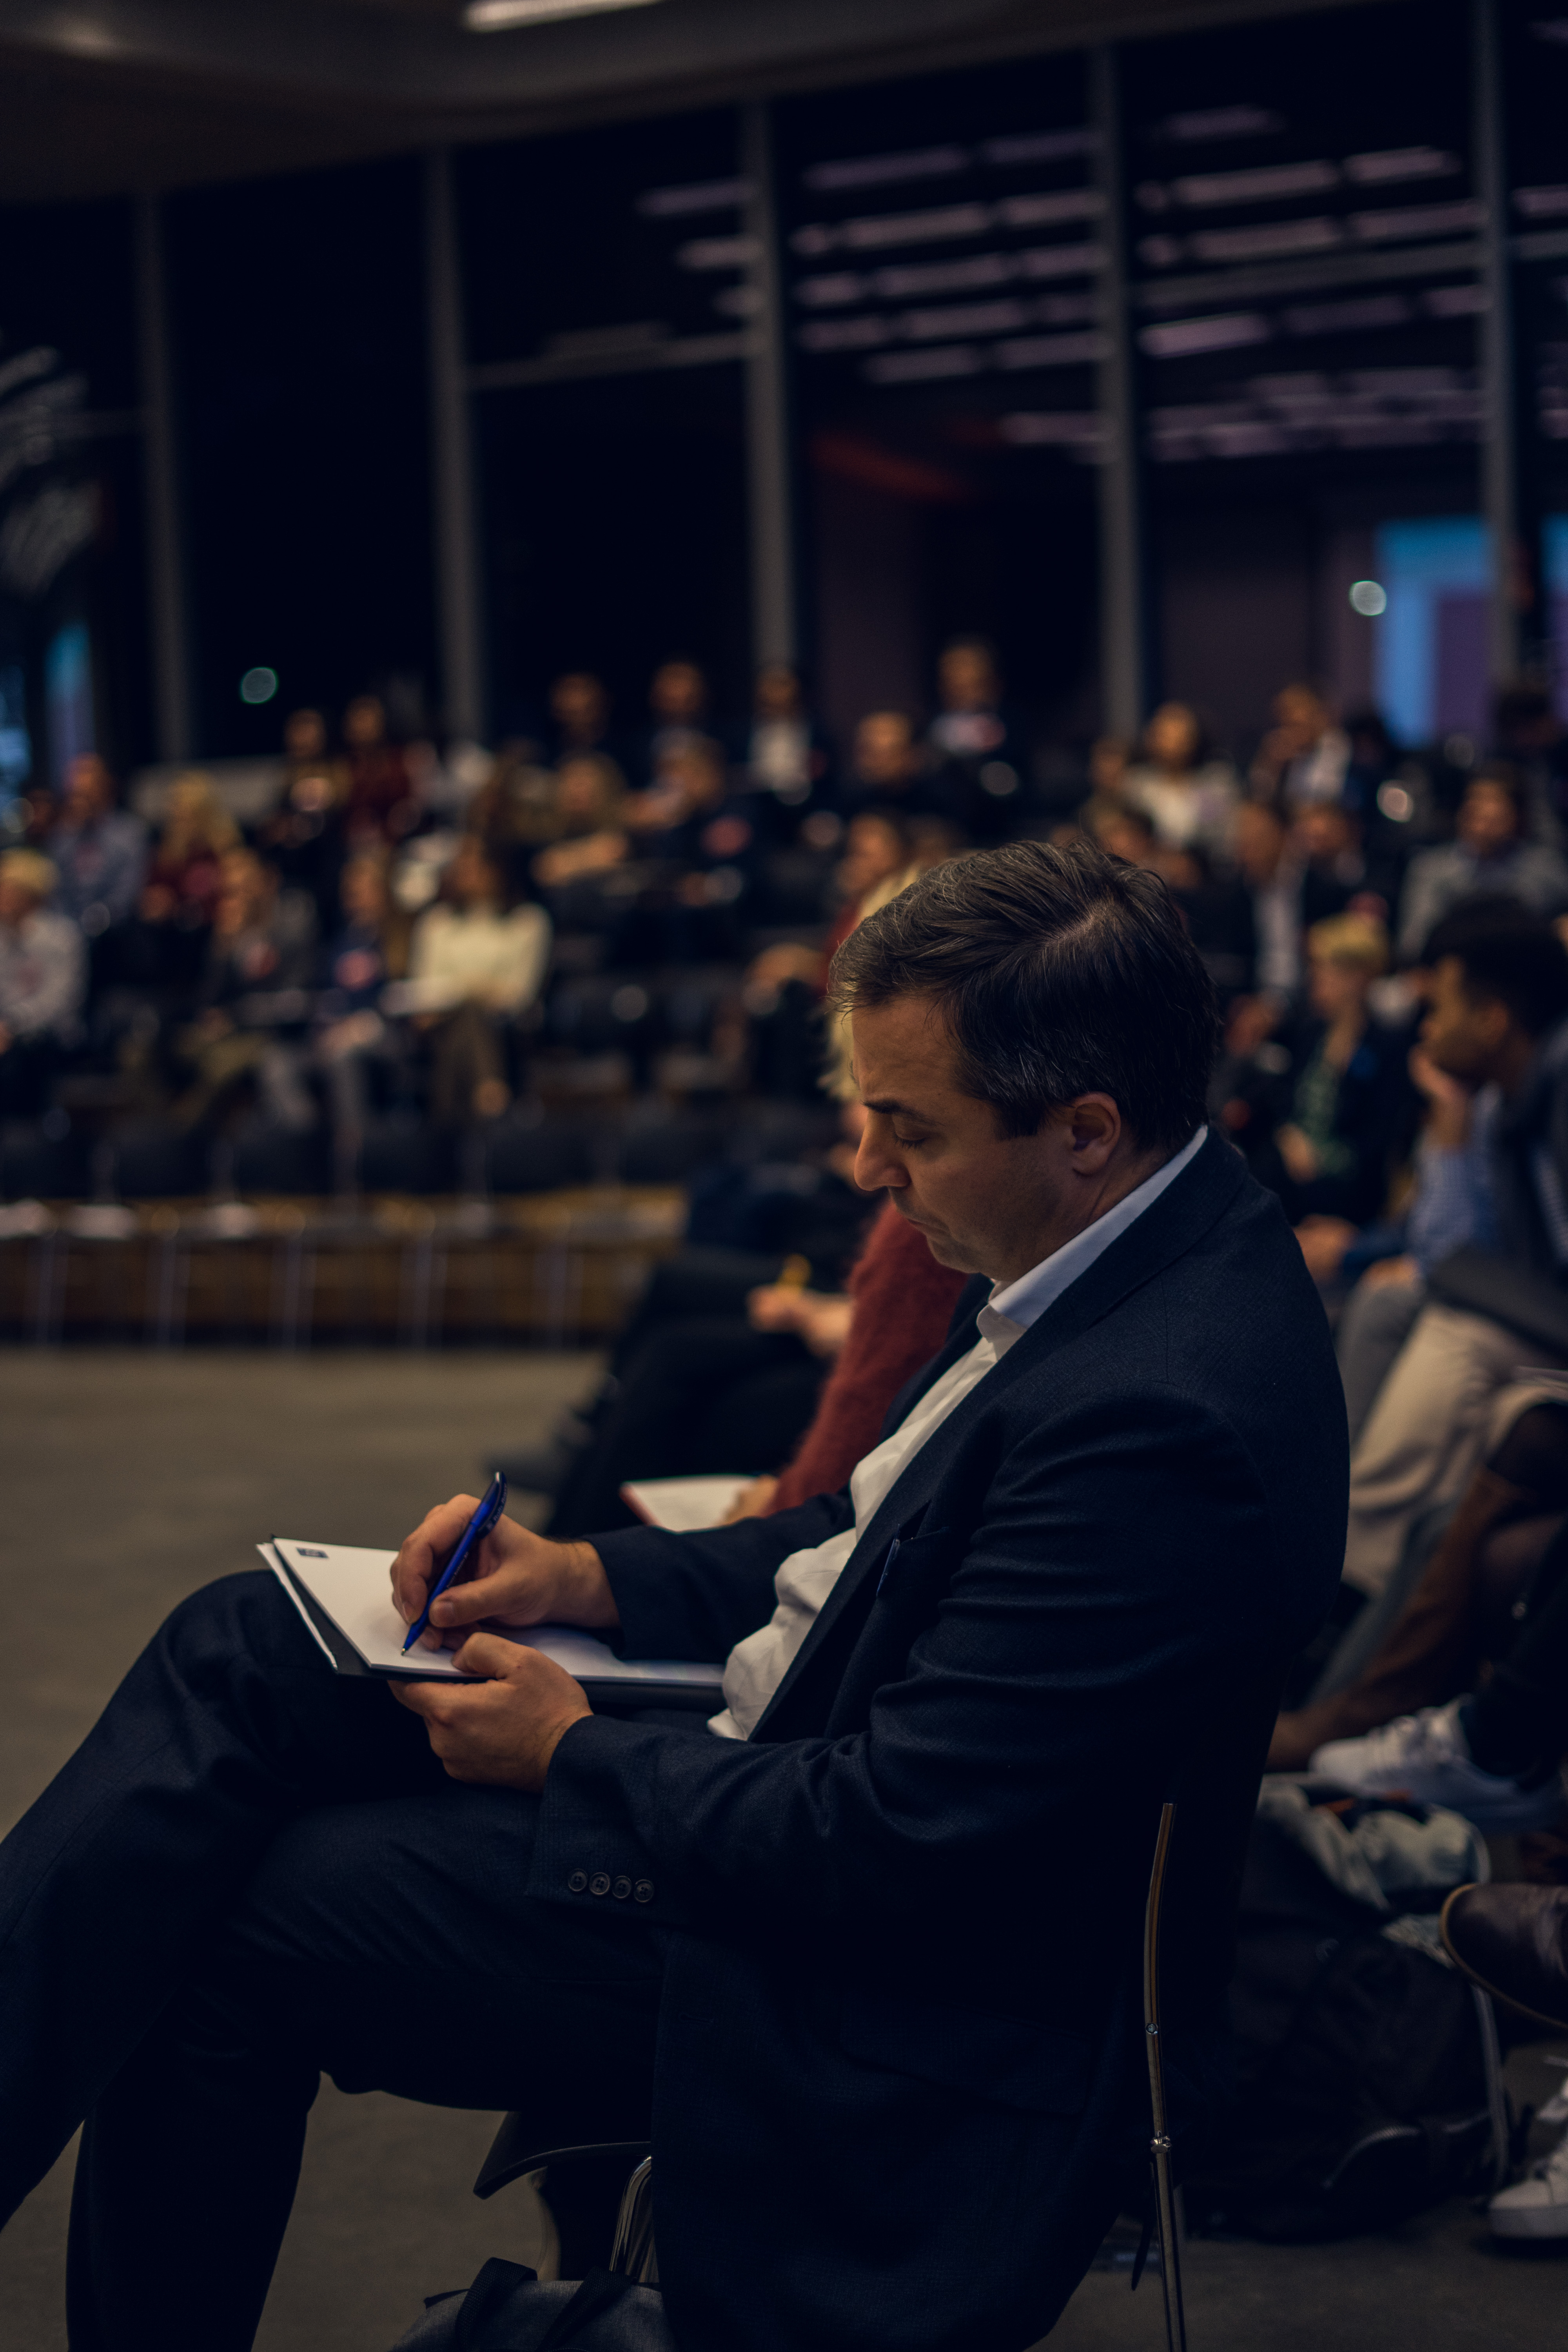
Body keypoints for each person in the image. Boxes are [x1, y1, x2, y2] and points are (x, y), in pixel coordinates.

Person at [0, 838, 1347, 2352]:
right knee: (244, 1642)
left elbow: (897, 1841)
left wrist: (569, 1751)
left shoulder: (1160, 1419)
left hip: (876, 1986)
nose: (867, 1169)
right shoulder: (1125, 1241)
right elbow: (869, 1536)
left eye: (909, 1129)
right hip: (796, 1800)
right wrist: (580, 1576)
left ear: (1085, 1128)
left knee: (223, 1923)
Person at [1338, 911, 1568, 1604]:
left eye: (1440, 1008)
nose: (1427, 1029)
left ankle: (1349, 1580)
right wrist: (1450, 1116)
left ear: (1493, 1021)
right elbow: (1451, 1252)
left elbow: (1457, 1264)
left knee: (1460, 1332)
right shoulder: (1500, 1105)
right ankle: (1325, 1509)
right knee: (1390, 1303)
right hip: (1544, 1310)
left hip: (1545, 1322)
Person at [1234, 913, 1415, 1228]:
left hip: (1345, 1184)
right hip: (1290, 1161)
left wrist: (1319, 1158)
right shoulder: (1311, 1031)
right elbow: (1286, 1099)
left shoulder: (1388, 1047)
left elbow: (1377, 1141)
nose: (1314, 977)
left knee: (1259, 1187)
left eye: (1323, 968)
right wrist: (1289, 1135)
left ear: (1357, 977)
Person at [405, 838, 551, 1125]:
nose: (465, 875)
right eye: (461, 868)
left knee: (468, 1019)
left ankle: (448, 1125)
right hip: (440, 1023)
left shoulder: (528, 921)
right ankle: (489, 1098)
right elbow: (425, 990)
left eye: (474, 867)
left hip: (504, 1024)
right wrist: (478, 989)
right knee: (464, 1019)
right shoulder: (437, 923)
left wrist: (464, 992)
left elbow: (520, 993)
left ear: (497, 870)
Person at [1397, 764, 1568, 958]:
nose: (1487, 812)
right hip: (1458, 965)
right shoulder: (1431, 869)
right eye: (1477, 801)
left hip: (1528, 966)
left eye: (1497, 801)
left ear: (1517, 815)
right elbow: (1413, 944)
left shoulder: (1545, 867)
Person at [0, 848, 85, 1118]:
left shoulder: (62, 938)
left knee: (18, 1061)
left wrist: (11, 1024)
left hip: (49, 1036)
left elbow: (58, 1002)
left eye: (9, 889)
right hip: (6, 1030)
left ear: (31, 895)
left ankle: (22, 1132)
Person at [1122, 701, 1240, 862]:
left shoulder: (1216, 783)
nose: (1171, 744)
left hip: (1207, 866)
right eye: (1164, 735)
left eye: (1179, 735)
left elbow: (1224, 835)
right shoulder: (1138, 784)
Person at [47, 753, 147, 938]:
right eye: (75, 794)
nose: (78, 801)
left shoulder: (130, 833)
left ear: (104, 789)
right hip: (69, 931)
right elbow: (56, 888)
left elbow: (127, 893)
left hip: (116, 932)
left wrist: (93, 922)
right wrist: (67, 927)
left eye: (86, 794)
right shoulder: (62, 836)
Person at [1249, 681, 1350, 811]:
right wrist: (1271, 765)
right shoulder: (1280, 749)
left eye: (1294, 709)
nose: (1287, 718)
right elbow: (1258, 799)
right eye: (1283, 713)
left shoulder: (1335, 744)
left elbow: (1324, 797)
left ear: (1317, 714)